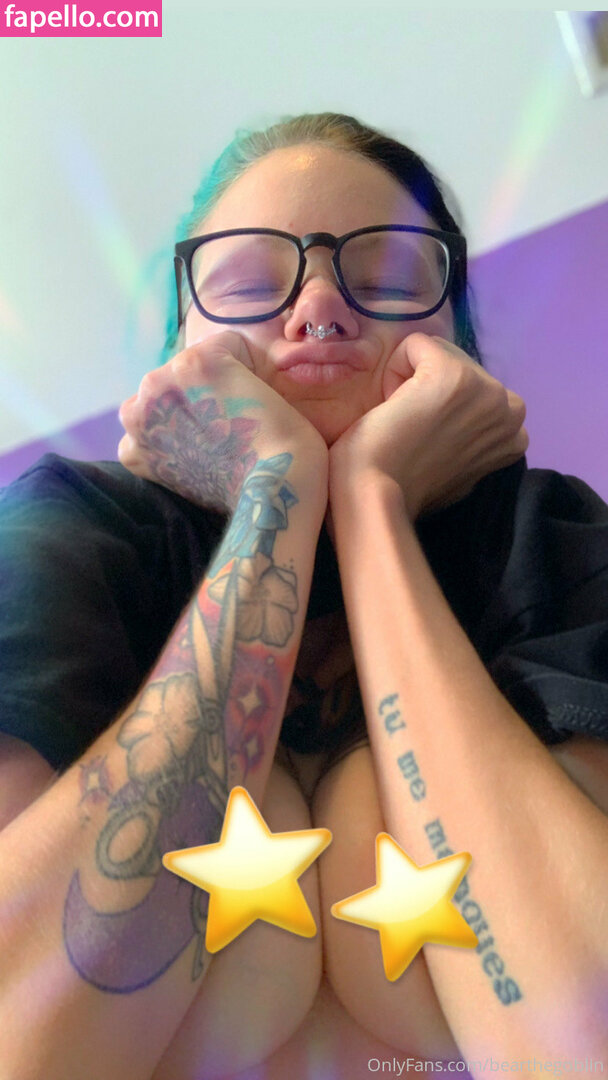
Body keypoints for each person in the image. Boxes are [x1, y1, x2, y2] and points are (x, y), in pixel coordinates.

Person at [0, 112, 607, 1080]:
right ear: (181, 342)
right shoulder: (70, 528)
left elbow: (587, 1031)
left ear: (454, 342)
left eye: (386, 280)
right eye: (250, 284)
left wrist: (371, 507)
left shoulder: (549, 533)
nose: (319, 308)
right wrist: (274, 495)